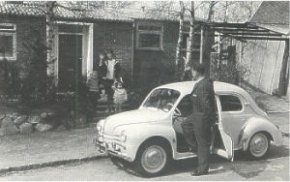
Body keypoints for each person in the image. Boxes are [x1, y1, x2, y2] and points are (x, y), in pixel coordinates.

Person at [181, 63, 217, 176]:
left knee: (203, 143)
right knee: (185, 125)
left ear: (197, 72)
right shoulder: (200, 84)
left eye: (192, 71)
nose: (191, 73)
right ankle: (196, 149)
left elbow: (206, 105)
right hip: (196, 114)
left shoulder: (204, 85)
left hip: (202, 116)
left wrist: (207, 120)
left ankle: (202, 169)